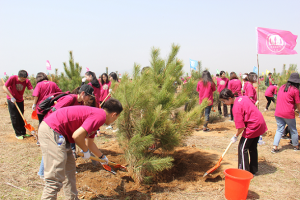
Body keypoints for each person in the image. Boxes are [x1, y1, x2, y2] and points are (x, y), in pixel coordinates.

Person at [38, 98, 123, 199]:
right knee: (55, 177)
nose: (115, 120)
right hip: (52, 130)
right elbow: (77, 136)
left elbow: (90, 143)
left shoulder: (98, 115)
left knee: (69, 171)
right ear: (114, 114)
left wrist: (102, 157)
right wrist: (85, 151)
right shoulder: (99, 116)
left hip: (61, 135)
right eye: (117, 117)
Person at [37, 84, 96, 180]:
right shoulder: (69, 99)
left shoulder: (80, 103)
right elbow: (54, 112)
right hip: (53, 126)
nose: (89, 99)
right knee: (52, 148)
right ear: (83, 93)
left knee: (60, 148)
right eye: (89, 96)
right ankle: (42, 173)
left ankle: (57, 170)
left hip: (63, 129)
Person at [220, 89, 267, 175]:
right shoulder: (243, 97)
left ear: (230, 98)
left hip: (253, 126)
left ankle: (244, 172)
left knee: (242, 148)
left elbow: (241, 127)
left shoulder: (236, 108)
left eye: (224, 101)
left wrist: (235, 136)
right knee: (252, 147)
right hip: (260, 122)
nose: (224, 103)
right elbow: (253, 102)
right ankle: (253, 169)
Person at [272, 73, 300, 153]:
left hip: (278, 112)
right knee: (293, 130)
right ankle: (296, 146)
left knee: (279, 130)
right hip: (288, 113)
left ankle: (274, 147)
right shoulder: (295, 90)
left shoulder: (282, 87)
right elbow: (298, 103)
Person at [2, 70, 34, 139]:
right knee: (14, 116)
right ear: (18, 76)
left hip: (20, 100)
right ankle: (18, 134)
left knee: (21, 116)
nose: (23, 81)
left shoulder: (27, 81)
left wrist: (36, 97)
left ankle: (23, 132)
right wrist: (11, 97)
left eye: (24, 79)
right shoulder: (12, 78)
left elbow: (31, 90)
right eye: (21, 79)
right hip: (12, 100)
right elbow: (4, 87)